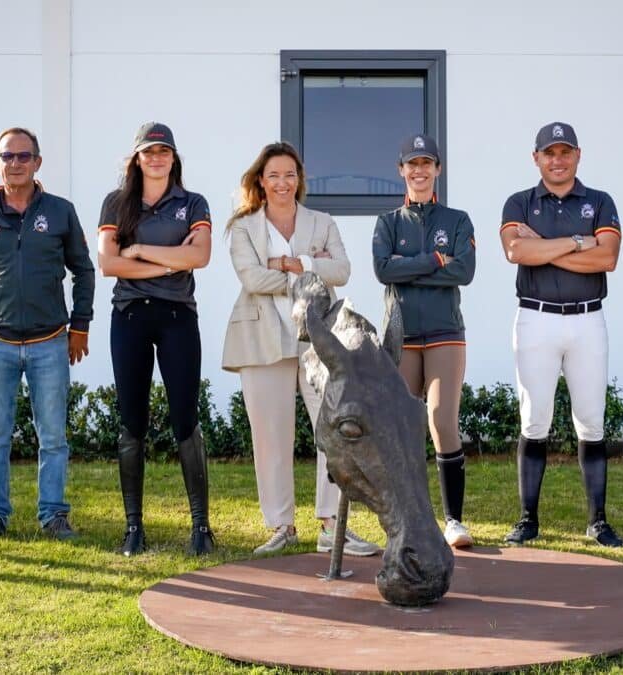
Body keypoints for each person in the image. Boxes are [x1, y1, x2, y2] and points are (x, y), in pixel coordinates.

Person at [222, 142, 382, 557]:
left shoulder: (321, 221)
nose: (282, 183)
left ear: (300, 179)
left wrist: (297, 264)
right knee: (270, 437)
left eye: (289, 174)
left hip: (319, 339)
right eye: (273, 175)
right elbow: (252, 278)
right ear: (261, 180)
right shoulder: (243, 227)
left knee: (333, 431)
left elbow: (341, 271)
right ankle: (281, 525)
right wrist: (312, 267)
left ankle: (333, 525)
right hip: (261, 339)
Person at [0, 127, 95, 543]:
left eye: (23, 156)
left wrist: (80, 325)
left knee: (53, 438)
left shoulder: (61, 212)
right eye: (7, 157)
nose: (15, 163)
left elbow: (83, 270)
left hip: (49, 342)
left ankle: (53, 515)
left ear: (38, 162)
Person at [498, 122, 623, 548]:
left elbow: (607, 259)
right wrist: (576, 243)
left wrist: (548, 248)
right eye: (549, 152)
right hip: (536, 319)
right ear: (536, 158)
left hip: (588, 319)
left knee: (590, 420)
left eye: (564, 151)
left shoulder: (600, 201)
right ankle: (528, 518)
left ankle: (598, 521)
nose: (557, 159)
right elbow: (516, 251)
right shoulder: (519, 202)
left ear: (577, 155)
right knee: (535, 420)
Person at [96, 122, 215, 556]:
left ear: (173, 157)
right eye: (149, 152)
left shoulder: (192, 202)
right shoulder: (116, 203)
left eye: (163, 151)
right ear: (137, 159)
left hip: (177, 316)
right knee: (132, 420)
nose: (157, 158)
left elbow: (199, 255)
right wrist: (169, 264)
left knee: (185, 417)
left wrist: (142, 252)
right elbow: (108, 264)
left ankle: (200, 527)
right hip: (130, 316)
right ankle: (133, 528)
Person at [371, 134, 476, 548]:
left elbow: (464, 272)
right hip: (402, 335)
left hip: (445, 334)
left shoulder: (457, 220)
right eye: (411, 164)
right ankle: (408, 520)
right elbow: (383, 270)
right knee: (400, 429)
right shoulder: (388, 223)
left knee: (440, 421)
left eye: (426, 163)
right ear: (401, 170)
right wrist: (435, 260)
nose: (419, 171)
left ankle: (453, 521)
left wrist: (407, 266)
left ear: (437, 170)